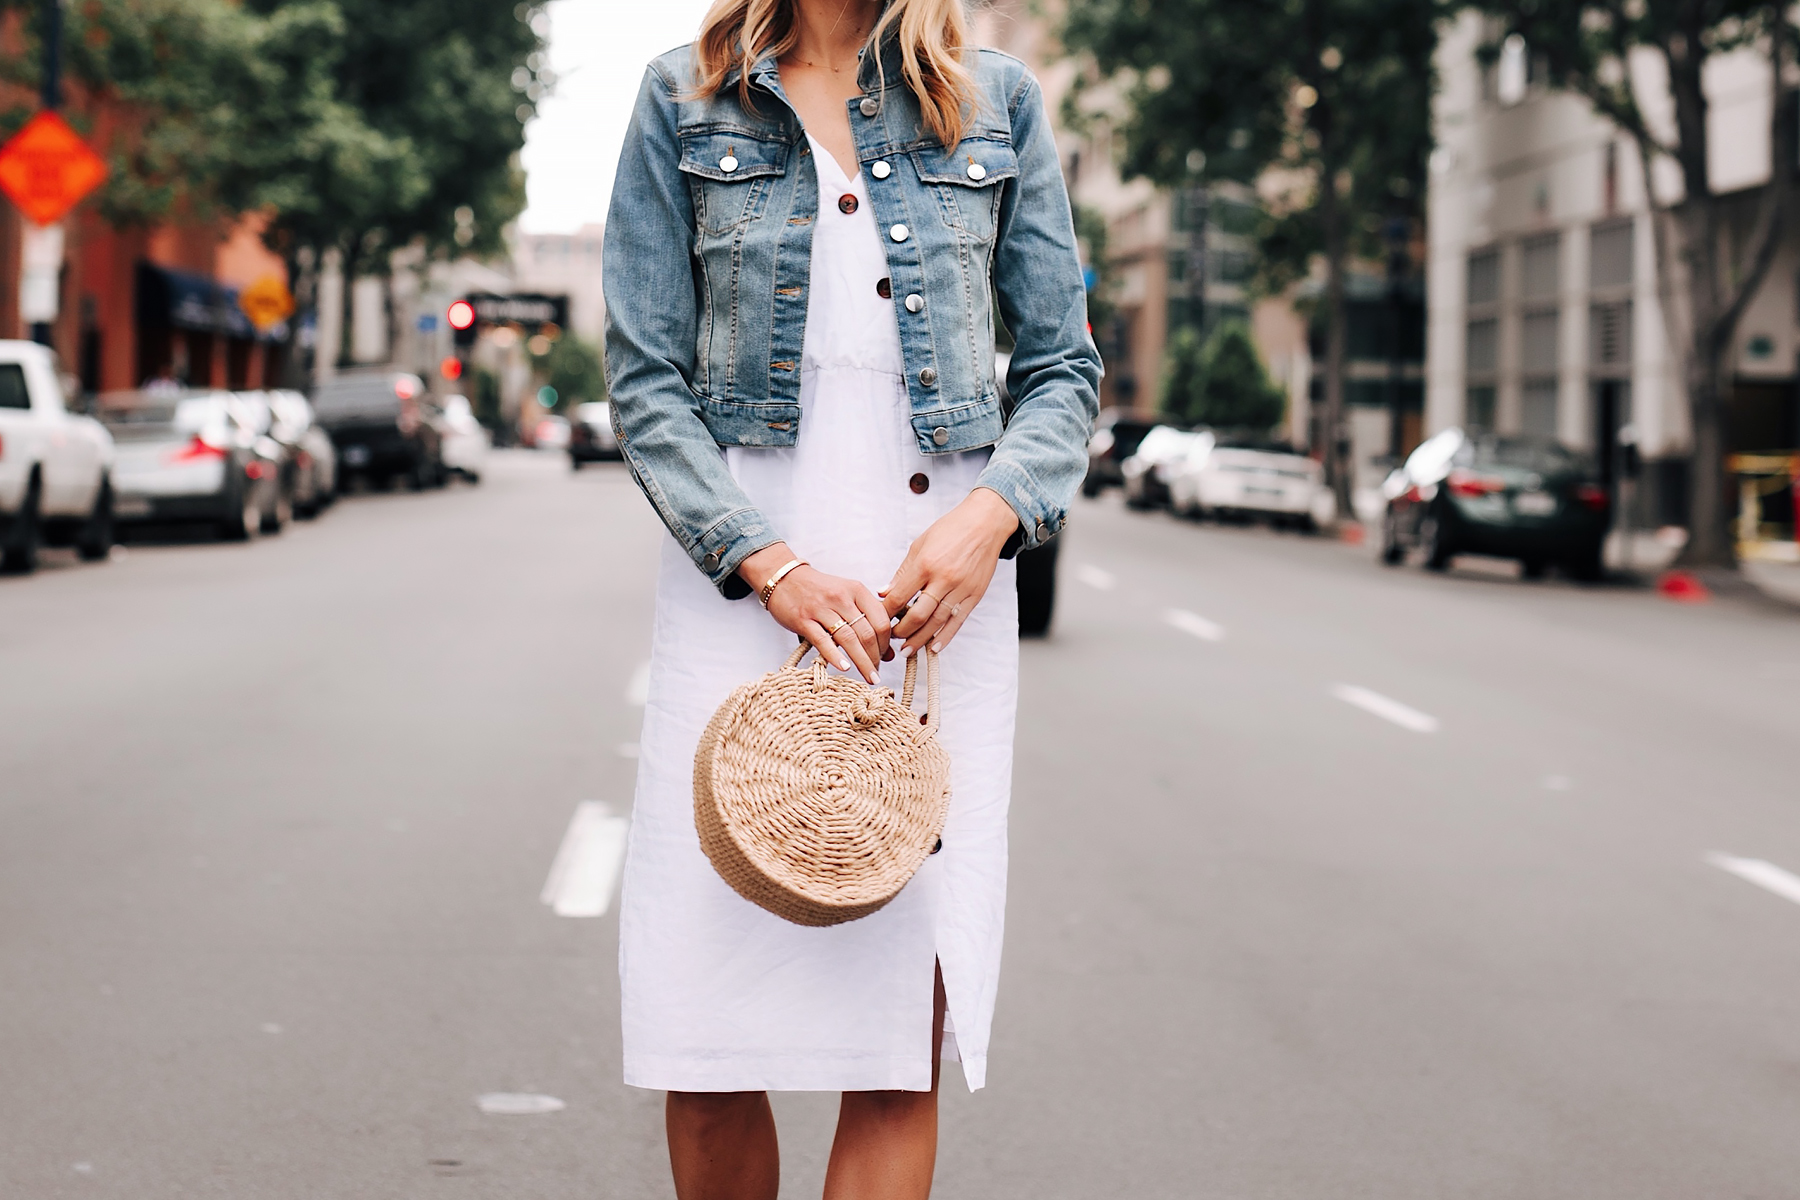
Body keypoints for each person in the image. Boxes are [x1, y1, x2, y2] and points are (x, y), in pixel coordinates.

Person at [602, 0, 1099, 1194]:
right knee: (706, 1035)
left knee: (894, 1049)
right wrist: (764, 561)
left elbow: (1063, 370)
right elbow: (645, 376)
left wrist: (990, 522)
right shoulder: (685, 95)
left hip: (934, 599)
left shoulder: (994, 103)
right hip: (742, 590)